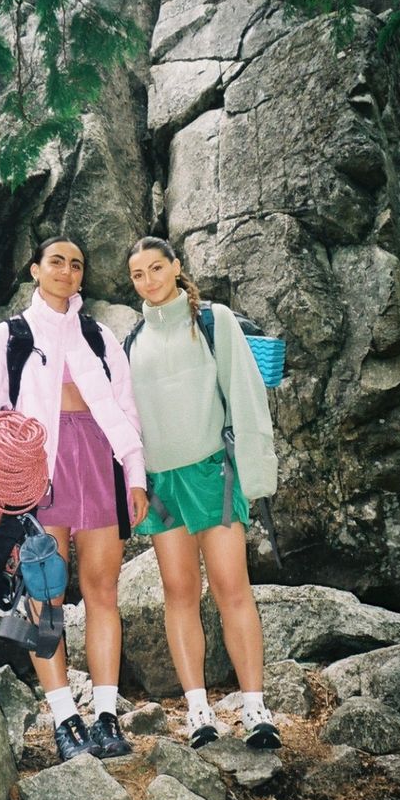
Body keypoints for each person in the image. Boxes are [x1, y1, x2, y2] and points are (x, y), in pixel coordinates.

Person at [0, 237, 149, 762]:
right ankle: (65, 718)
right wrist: (0, 476)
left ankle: (105, 716)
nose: (65, 270)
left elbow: (126, 411)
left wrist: (135, 475)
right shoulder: (8, 337)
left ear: (83, 276)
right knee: (45, 594)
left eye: (76, 264)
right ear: (36, 269)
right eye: (55, 261)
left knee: (104, 590)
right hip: (39, 472)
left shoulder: (99, 336)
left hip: (98, 465)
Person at [125, 236, 281, 750]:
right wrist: (134, 484)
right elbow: (128, 423)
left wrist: (257, 478)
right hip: (162, 484)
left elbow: (246, 396)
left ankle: (255, 707)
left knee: (233, 587)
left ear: (175, 267)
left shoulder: (213, 322)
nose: (148, 280)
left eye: (155, 268)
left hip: (213, 473)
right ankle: (198, 712)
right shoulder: (133, 341)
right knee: (179, 594)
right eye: (138, 274)